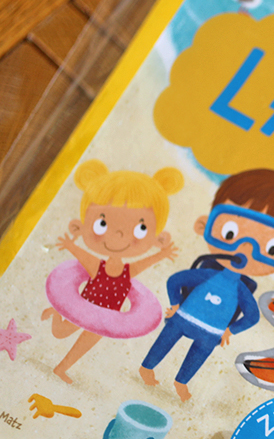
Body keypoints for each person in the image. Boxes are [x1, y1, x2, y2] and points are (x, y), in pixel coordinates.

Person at [139, 168, 274, 401]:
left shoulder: (241, 289)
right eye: (231, 232)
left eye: (271, 248)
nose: (246, 248)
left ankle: (181, 382)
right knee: (166, 340)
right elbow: (175, 281)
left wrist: (230, 330)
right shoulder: (207, 274)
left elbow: (251, 316)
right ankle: (147, 367)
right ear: (204, 225)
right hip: (184, 317)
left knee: (198, 354)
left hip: (211, 332)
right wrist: (176, 304)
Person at [42, 160, 182, 383]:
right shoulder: (99, 267)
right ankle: (55, 314)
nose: (118, 236)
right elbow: (83, 257)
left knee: (86, 343)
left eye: (141, 229)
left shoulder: (127, 271)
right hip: (85, 308)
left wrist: (162, 254)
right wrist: (70, 245)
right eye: (102, 224)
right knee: (60, 332)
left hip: (107, 317)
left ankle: (61, 368)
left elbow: (143, 264)